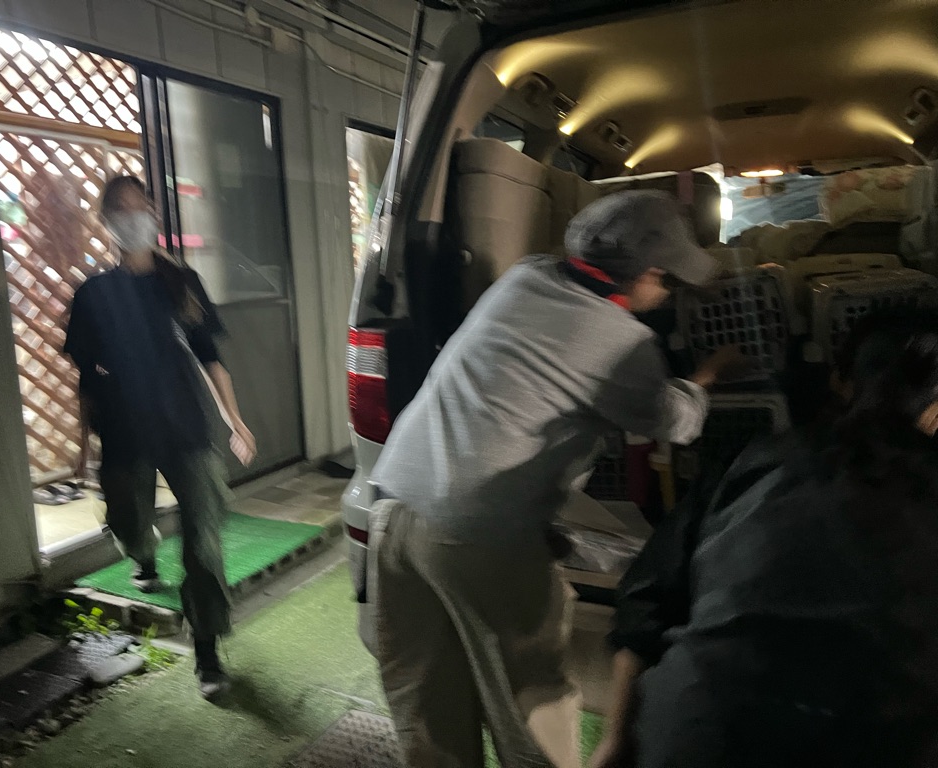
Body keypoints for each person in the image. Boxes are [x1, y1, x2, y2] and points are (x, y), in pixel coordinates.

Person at [369, 191, 744, 768]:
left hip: (393, 507)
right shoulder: (622, 342)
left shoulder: (526, 277)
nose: (669, 293)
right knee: (532, 702)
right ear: (647, 273)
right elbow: (677, 422)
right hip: (477, 530)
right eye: (669, 281)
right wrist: (708, 374)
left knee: (425, 702)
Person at [592, 310, 938, 768]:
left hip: (698, 734)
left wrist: (616, 743)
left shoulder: (755, 458)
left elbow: (645, 601)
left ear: (839, 382)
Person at [64, 175, 257, 699]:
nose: (133, 218)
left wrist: (235, 420)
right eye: (120, 210)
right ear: (106, 222)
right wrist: (82, 447)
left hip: (186, 429)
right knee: (127, 520)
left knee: (204, 539)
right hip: (124, 433)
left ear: (152, 213)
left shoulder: (182, 283)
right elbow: (86, 380)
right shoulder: (93, 295)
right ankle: (143, 555)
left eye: (140, 207)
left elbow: (210, 358)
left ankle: (207, 649)